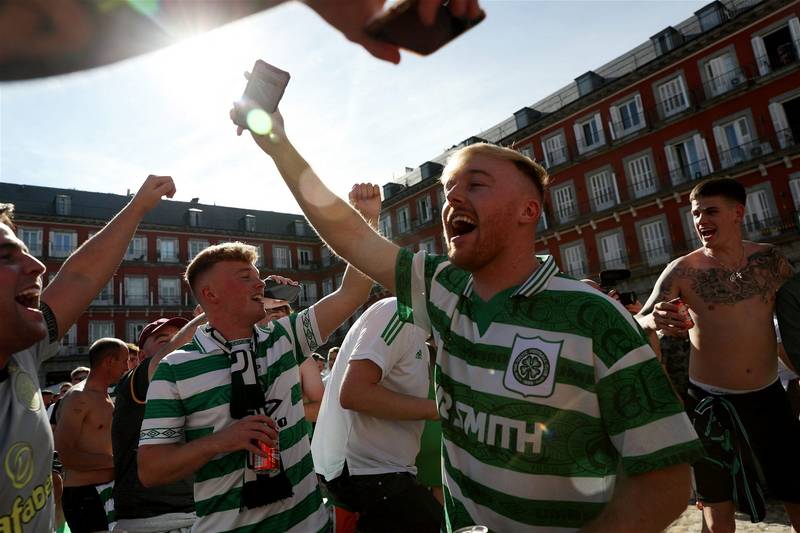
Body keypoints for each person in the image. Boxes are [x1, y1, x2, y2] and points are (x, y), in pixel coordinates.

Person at [234, 110, 705, 532]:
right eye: (447, 189)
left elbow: (666, 479)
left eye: (475, 183)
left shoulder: (592, 316)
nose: (452, 197)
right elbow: (352, 237)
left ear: (528, 210)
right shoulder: (443, 291)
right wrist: (277, 142)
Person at [137, 189, 381, 532]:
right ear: (210, 294)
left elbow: (352, 293)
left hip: (309, 525)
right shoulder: (175, 368)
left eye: (257, 275)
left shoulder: (285, 337)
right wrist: (222, 440)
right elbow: (151, 469)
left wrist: (367, 220)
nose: (260, 283)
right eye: (245, 277)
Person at [0, 175, 174, 533]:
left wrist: (138, 207)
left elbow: (78, 276)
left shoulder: (21, 352)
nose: (38, 267)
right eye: (5, 257)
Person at [636, 177, 800, 531]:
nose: (700, 221)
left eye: (710, 211)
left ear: (738, 213)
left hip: (769, 396)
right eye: (696, 214)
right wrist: (654, 319)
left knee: (796, 491)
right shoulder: (683, 270)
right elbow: (639, 320)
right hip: (710, 403)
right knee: (715, 504)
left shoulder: (770, 260)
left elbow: (791, 326)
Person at [313, 297, 441, 532]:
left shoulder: (417, 333)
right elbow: (355, 393)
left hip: (381, 473)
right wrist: (441, 410)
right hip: (369, 472)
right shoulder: (400, 313)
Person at [111, 316, 198, 533]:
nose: (180, 345)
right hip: (148, 522)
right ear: (142, 356)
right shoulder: (134, 381)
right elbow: (162, 362)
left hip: (199, 516)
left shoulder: (198, 387)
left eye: (185, 339)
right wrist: (215, 310)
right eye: (163, 340)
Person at [54, 337, 129, 533]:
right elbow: (64, 454)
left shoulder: (104, 396)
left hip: (103, 492)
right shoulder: (80, 397)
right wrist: (117, 462)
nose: (127, 366)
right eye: (124, 360)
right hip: (83, 494)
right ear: (109, 361)